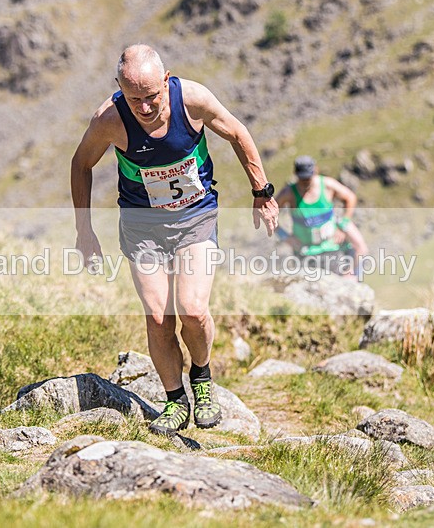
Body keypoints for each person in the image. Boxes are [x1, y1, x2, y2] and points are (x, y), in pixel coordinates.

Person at [70, 44, 278, 435]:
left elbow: (237, 132)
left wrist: (261, 191)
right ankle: (175, 401)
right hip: (142, 224)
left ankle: (201, 376)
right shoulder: (109, 119)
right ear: (119, 87)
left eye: (151, 96)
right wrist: (84, 229)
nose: (145, 107)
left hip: (195, 216)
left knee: (193, 310)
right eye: (134, 99)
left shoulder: (192, 100)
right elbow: (81, 163)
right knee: (158, 316)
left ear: (166, 81)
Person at [275, 155, 368, 278]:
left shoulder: (327, 185)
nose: (305, 181)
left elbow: (350, 197)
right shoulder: (288, 193)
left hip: (331, 245)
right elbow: (269, 215)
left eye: (308, 177)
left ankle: (354, 277)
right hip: (305, 250)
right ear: (295, 174)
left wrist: (343, 225)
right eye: (302, 178)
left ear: (316, 171)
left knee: (360, 247)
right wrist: (285, 237)